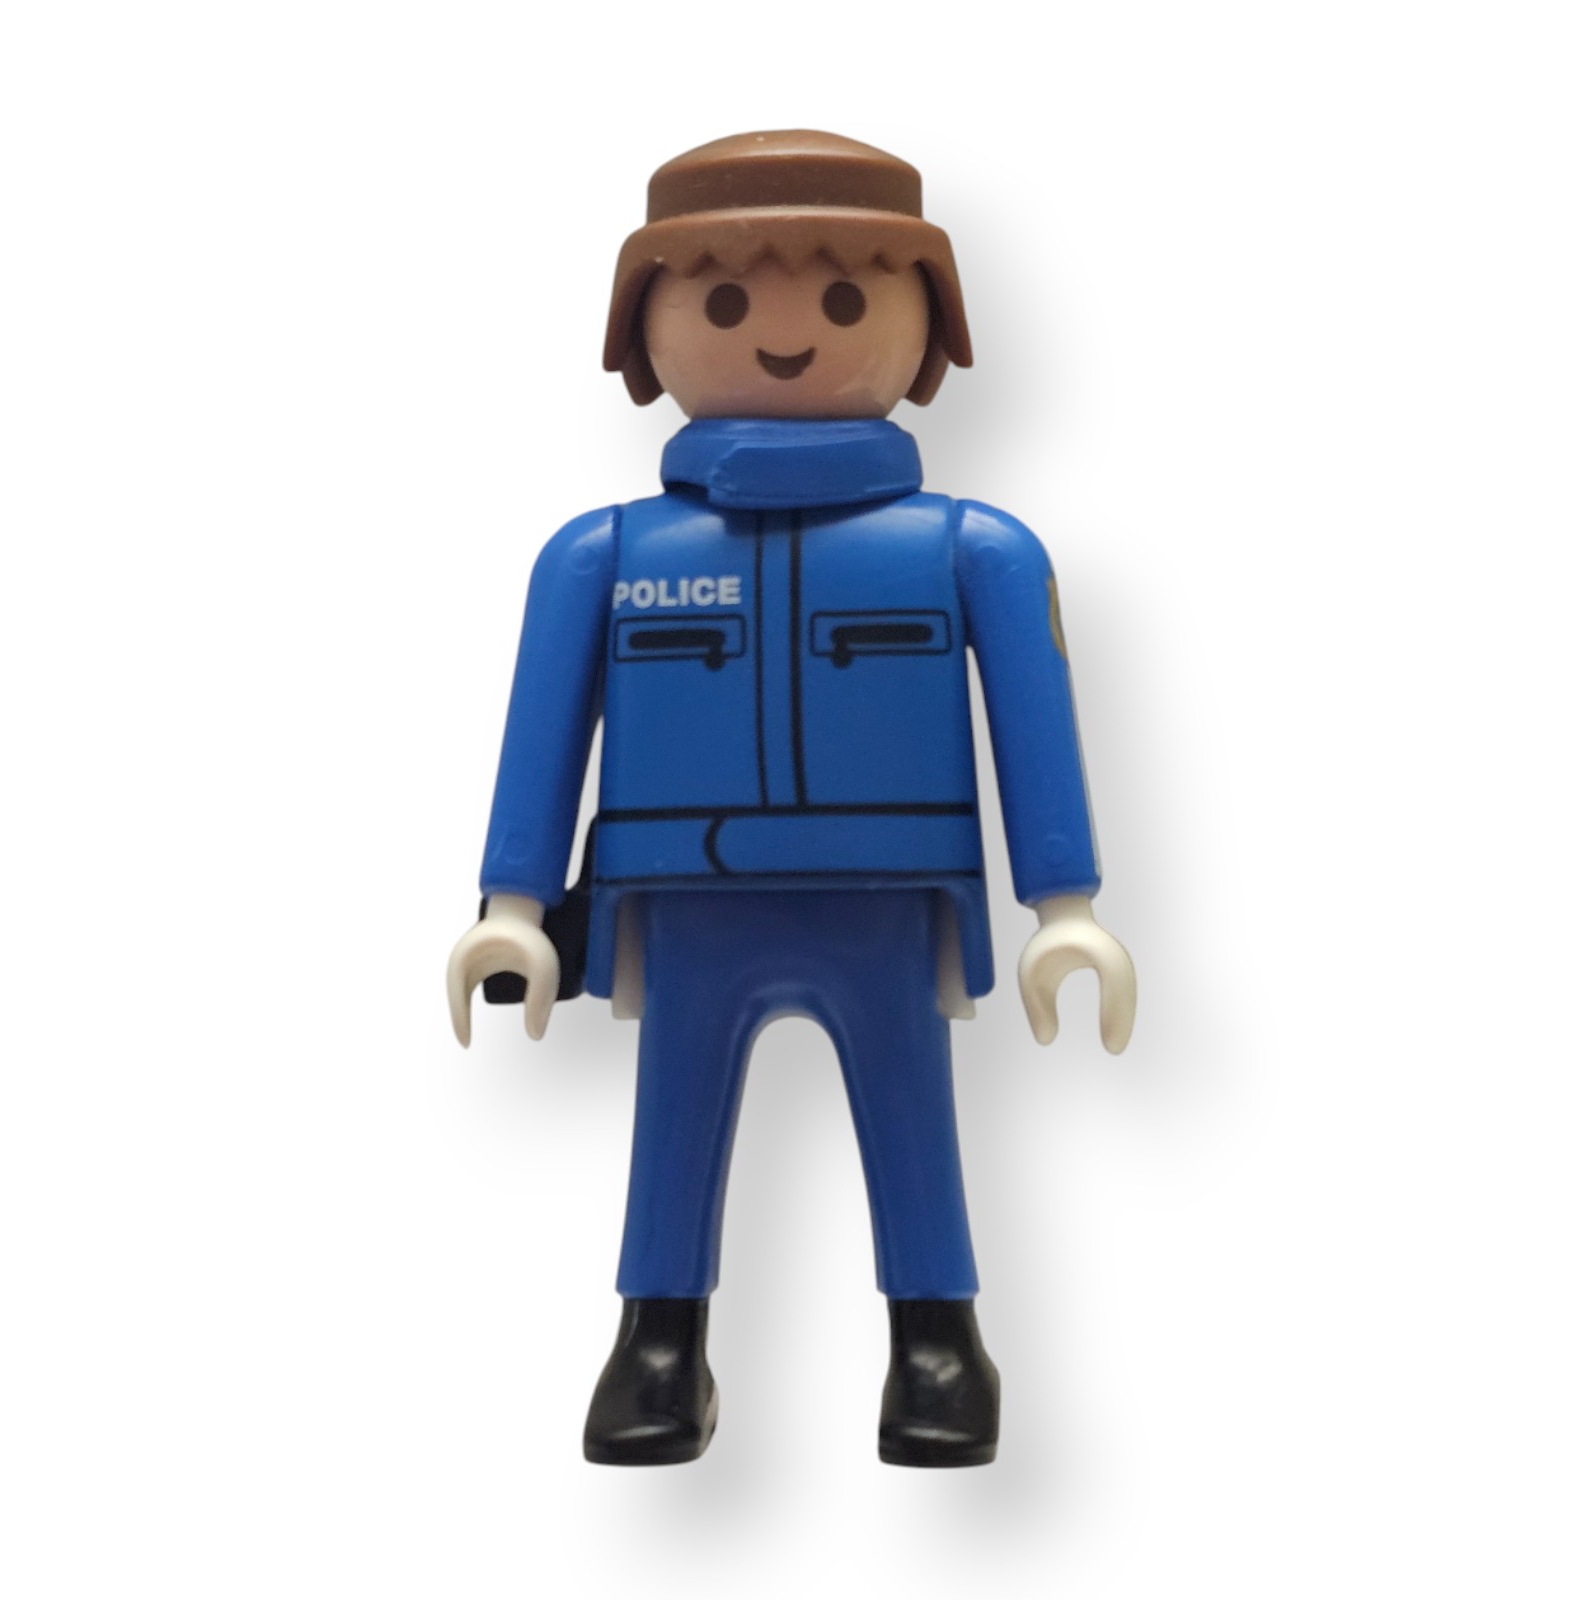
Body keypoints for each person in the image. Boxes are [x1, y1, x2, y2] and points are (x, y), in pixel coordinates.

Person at [447, 130, 1135, 1467]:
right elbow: (543, 731)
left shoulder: (973, 550)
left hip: (884, 890)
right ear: (647, 330)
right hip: (687, 898)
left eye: (841, 298)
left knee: (912, 1115)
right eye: (721, 301)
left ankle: (939, 1344)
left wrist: (1067, 905)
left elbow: (1035, 721)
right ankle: (659, 1343)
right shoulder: (603, 555)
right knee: (673, 1121)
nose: (782, 334)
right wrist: (512, 903)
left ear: (925, 328)